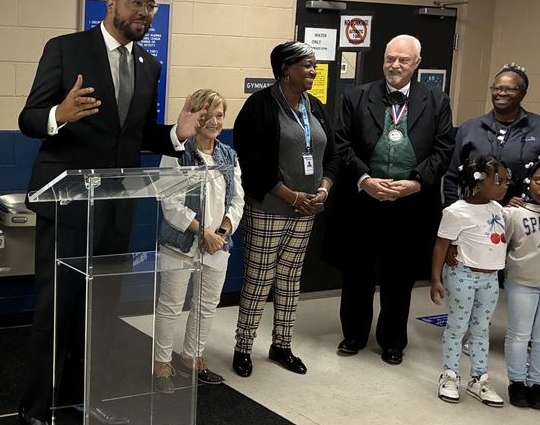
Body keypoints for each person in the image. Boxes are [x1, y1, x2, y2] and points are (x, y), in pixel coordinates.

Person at [17, 0, 206, 425]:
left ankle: (87, 396)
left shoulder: (149, 65)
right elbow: (28, 119)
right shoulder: (66, 49)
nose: (145, 13)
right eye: (137, 3)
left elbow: (138, 135)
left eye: (152, 6)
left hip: (116, 208)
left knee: (101, 310)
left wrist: (176, 134)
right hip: (68, 206)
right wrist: (58, 114)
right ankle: (35, 409)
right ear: (112, 3)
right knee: (55, 309)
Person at [329, 35, 454, 364]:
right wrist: (364, 179)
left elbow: (443, 150)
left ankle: (393, 341)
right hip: (364, 202)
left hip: (410, 205)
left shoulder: (436, 101)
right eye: (389, 59)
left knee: (400, 275)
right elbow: (341, 145)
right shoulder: (356, 97)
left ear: (417, 63)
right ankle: (354, 334)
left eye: (402, 60)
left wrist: (417, 183)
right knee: (358, 272)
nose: (395, 65)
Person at [231, 42, 338, 377]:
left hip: (306, 211)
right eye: (307, 65)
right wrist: (290, 196)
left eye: (314, 65)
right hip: (269, 208)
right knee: (259, 280)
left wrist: (323, 188)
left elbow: (332, 155)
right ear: (285, 68)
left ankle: (282, 345)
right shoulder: (260, 106)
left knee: (290, 280)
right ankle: (243, 347)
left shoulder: (316, 106)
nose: (313, 70)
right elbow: (250, 161)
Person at [153, 88, 244, 390]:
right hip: (180, 243)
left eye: (219, 115)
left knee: (206, 305)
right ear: (196, 116)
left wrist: (219, 234)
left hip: (217, 244)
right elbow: (170, 203)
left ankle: (192, 357)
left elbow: (237, 201)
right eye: (207, 114)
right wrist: (201, 231)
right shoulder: (177, 153)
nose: (214, 121)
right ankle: (162, 364)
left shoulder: (228, 155)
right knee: (171, 304)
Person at [430, 156, 509, 406]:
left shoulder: (498, 210)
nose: (505, 185)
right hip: (462, 276)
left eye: (507, 180)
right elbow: (441, 246)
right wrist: (436, 280)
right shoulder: (456, 211)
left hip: (490, 279)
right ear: (479, 181)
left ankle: (479, 378)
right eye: (499, 180)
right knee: (457, 326)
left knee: (481, 329)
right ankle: (450, 375)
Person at [442, 63, 540, 207]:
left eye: (510, 89)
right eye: (497, 88)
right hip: (475, 213)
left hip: (523, 214)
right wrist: (454, 209)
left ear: (523, 93)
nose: (502, 93)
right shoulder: (470, 128)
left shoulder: (537, 127)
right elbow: (452, 176)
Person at [503, 161, 540, 408]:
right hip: (522, 281)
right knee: (519, 334)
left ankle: (536, 383)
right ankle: (516, 382)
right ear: (529, 182)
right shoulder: (515, 212)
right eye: (539, 180)